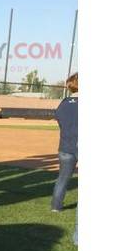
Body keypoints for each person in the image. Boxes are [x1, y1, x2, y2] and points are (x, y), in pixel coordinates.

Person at [51, 72, 78, 212]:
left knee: (62, 178)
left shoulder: (64, 103)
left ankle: (56, 207)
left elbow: (59, 120)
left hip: (65, 145)